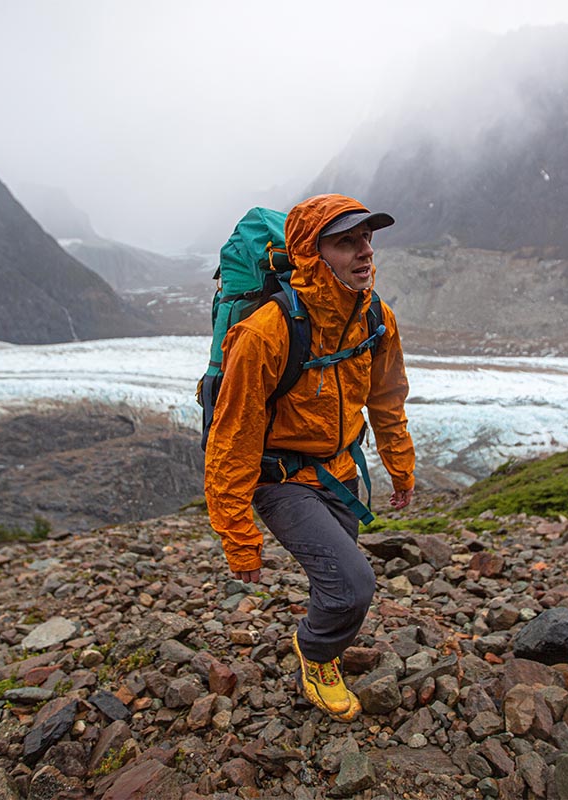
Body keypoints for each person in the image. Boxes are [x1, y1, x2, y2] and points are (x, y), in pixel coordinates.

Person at [204, 193, 417, 722]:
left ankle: (325, 637)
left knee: (338, 582)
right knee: (353, 585)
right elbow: (231, 439)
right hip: (280, 479)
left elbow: (387, 399)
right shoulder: (265, 332)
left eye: (366, 238)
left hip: (341, 470)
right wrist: (239, 537)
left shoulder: (375, 316)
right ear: (310, 253)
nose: (364, 251)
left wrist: (401, 466)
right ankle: (317, 655)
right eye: (346, 241)